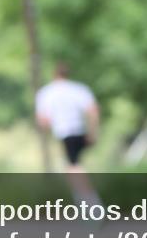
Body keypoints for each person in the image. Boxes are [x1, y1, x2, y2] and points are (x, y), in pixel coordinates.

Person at [35, 62, 102, 206]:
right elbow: (93, 111)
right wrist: (93, 133)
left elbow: (43, 120)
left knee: (74, 168)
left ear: (54, 75)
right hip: (80, 131)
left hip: (65, 133)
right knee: (73, 166)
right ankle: (86, 203)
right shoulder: (79, 89)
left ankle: (91, 204)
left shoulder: (46, 92)